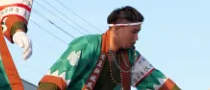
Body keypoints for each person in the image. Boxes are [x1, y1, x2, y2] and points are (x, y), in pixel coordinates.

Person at [37, 6, 180, 90]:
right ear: (117, 29)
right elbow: (53, 81)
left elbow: (159, 84)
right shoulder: (86, 45)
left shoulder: (131, 57)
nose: (137, 38)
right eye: (134, 32)